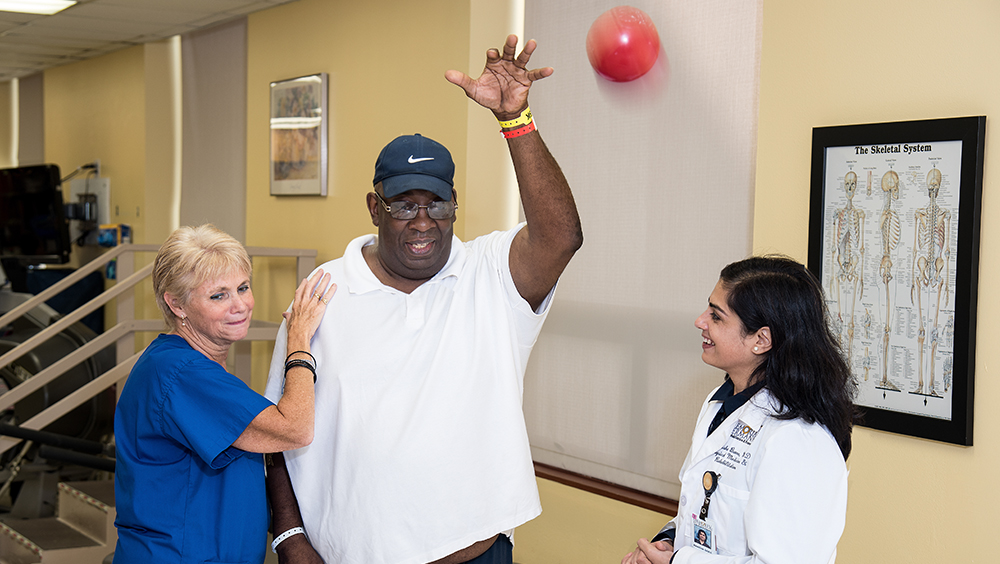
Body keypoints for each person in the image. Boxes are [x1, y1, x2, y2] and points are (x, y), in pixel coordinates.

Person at [263, 34, 583, 564]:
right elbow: (279, 428)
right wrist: (290, 539)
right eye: (403, 206)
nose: (422, 223)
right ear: (374, 206)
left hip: (473, 555)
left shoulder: (489, 276)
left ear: (455, 205)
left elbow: (561, 237)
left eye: (436, 205)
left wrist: (516, 120)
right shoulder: (324, 290)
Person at [113, 224, 335, 564]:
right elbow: (295, 428)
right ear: (177, 304)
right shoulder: (182, 373)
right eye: (219, 295)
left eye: (243, 288)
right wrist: (300, 339)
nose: (241, 305)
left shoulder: (187, 365)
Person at [623, 256, 856, 564]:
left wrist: (679, 562)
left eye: (716, 316)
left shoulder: (798, 439)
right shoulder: (720, 403)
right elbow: (706, 513)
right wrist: (667, 542)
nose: (700, 321)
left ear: (761, 340)